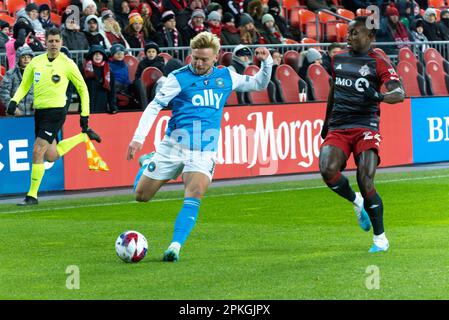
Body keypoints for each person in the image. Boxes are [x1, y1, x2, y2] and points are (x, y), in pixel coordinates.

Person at [126, 31, 273, 262]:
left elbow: (260, 83)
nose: (198, 62)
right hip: (173, 146)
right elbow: (155, 106)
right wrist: (138, 137)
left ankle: (175, 246)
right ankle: (149, 160)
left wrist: (267, 62)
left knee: (194, 192)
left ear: (215, 57)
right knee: (141, 196)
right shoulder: (178, 77)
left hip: (204, 150)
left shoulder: (227, 77)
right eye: (195, 57)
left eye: (204, 59)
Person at [319, 16, 405, 253]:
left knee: (365, 177)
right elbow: (333, 91)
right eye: (348, 33)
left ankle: (380, 239)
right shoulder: (338, 59)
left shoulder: (379, 61)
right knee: (327, 169)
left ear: (370, 36)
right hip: (339, 124)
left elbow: (399, 94)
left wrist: (379, 97)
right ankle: (357, 202)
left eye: (355, 33)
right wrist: (326, 123)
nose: (349, 37)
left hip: (366, 125)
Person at [6, 27, 101, 206]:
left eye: (57, 41)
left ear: (61, 42)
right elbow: (25, 85)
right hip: (40, 112)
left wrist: (84, 115)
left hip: (56, 112)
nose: (54, 44)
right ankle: (83, 137)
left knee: (37, 151)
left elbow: (82, 88)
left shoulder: (67, 63)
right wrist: (14, 101)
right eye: (51, 41)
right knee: (51, 155)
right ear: (46, 43)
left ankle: (32, 196)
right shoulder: (36, 62)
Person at [0, 47, 35, 116]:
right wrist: (12, 107)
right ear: (18, 59)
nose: (26, 59)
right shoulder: (10, 74)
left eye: (28, 57)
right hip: (15, 114)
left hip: (34, 114)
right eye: (23, 57)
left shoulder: (38, 74)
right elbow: (3, 92)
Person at [83, 45, 117, 114]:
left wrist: (112, 106)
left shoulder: (108, 71)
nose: (98, 56)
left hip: (102, 106)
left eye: (100, 54)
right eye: (95, 54)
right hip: (86, 106)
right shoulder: (84, 70)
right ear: (91, 56)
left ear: (103, 56)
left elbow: (112, 91)